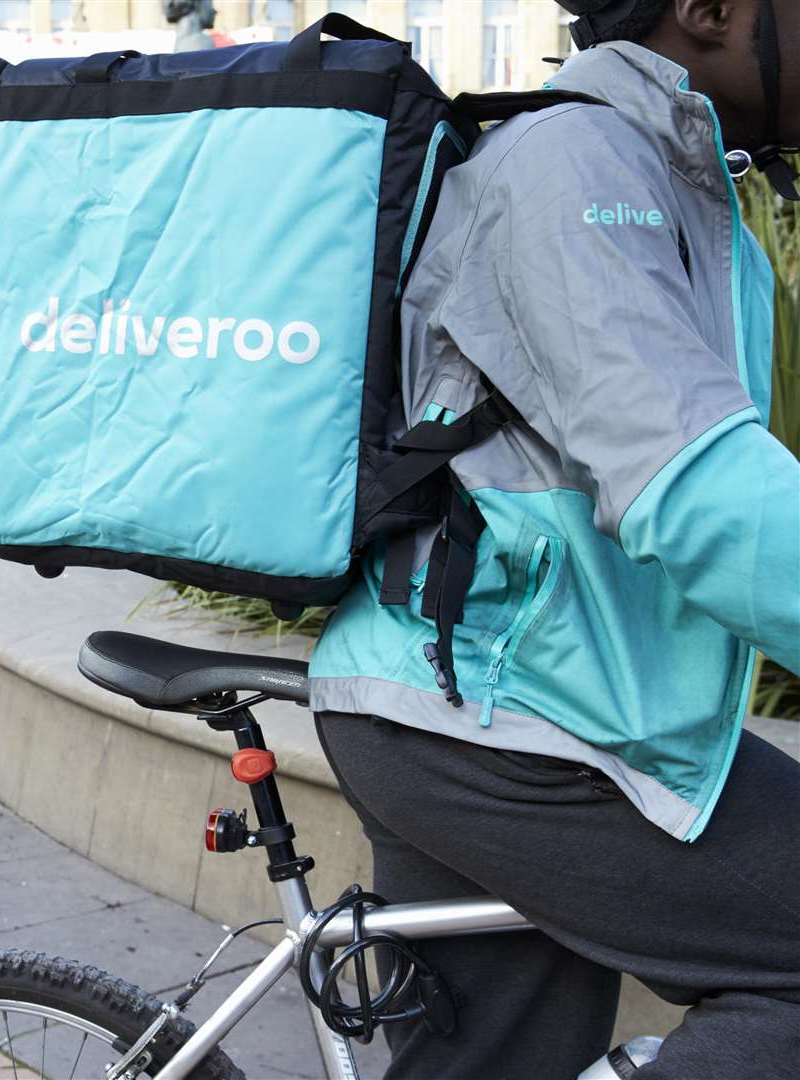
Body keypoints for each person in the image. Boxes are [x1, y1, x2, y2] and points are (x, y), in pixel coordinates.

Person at [306, 0, 799, 1076]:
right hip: (499, 713)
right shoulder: (579, 168)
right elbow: (694, 484)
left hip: (494, 699)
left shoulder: (658, 173)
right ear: (710, 12)